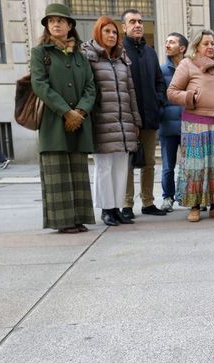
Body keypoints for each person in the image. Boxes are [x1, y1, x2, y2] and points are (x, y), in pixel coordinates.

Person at [30, 3, 96, 233]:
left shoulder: (81, 55)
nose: (55, 24)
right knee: (57, 172)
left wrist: (80, 112)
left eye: (60, 20)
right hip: (53, 122)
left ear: (70, 25)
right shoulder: (40, 53)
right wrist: (66, 112)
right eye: (51, 21)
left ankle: (78, 218)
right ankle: (63, 221)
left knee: (77, 171)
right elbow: (39, 85)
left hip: (78, 122)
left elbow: (90, 87)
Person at [167, 29, 214, 222]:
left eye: (212, 43)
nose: (210, 47)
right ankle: (195, 206)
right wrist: (191, 97)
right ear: (196, 46)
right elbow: (172, 92)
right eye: (205, 43)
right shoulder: (187, 64)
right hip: (196, 125)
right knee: (196, 167)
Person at [82, 16, 141, 227]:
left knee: (121, 167)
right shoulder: (89, 58)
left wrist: (136, 120)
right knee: (103, 167)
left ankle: (117, 208)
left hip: (124, 121)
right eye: (106, 31)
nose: (111, 35)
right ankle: (106, 209)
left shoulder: (122, 60)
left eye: (114, 32)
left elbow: (130, 92)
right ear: (98, 33)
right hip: (102, 121)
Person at [121, 8, 168, 219]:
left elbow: (160, 81)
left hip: (150, 117)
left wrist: (158, 102)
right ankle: (126, 204)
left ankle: (148, 202)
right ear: (124, 27)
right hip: (127, 119)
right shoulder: (119, 50)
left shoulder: (150, 51)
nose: (138, 25)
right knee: (128, 164)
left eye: (140, 21)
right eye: (132, 22)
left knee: (149, 162)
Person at [158, 32, 188, 213]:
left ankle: (186, 196)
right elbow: (158, 96)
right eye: (166, 41)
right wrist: (161, 113)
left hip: (188, 125)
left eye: (172, 42)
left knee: (188, 165)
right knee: (168, 166)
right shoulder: (161, 71)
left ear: (182, 48)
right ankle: (167, 197)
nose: (167, 45)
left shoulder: (190, 68)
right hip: (168, 125)